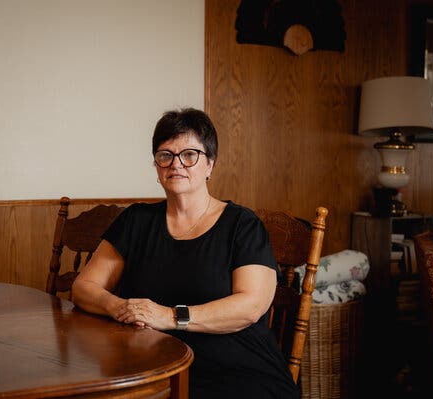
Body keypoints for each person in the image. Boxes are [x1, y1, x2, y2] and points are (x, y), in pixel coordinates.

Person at [72, 108, 299, 398]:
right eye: (165, 155)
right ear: (156, 167)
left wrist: (169, 317)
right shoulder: (136, 221)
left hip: (237, 371)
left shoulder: (242, 224)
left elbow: (251, 305)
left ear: (210, 165)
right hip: (153, 367)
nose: (176, 164)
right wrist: (120, 307)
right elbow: (84, 287)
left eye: (190, 155)